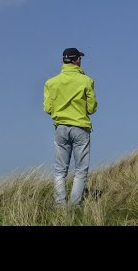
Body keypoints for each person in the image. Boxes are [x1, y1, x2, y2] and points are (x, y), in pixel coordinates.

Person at [43, 47, 98, 208]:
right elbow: (92, 108)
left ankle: (60, 205)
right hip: (80, 127)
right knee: (80, 169)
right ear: (77, 60)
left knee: (60, 170)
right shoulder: (87, 81)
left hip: (60, 128)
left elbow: (47, 108)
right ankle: (74, 206)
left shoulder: (50, 83)